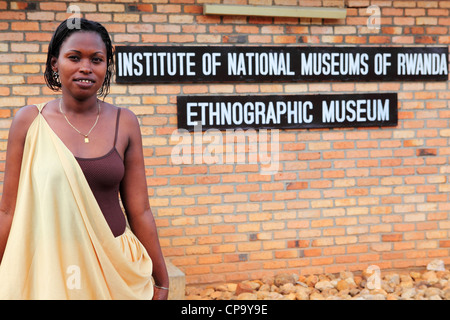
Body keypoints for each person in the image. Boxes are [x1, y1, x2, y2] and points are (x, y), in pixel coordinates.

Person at [0, 18, 169, 300]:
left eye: (97, 59)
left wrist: (162, 280)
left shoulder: (124, 122)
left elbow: (140, 211)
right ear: (55, 63)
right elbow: (7, 211)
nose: (86, 68)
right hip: (51, 269)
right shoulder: (29, 121)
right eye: (74, 57)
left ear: (106, 67)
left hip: (115, 267)